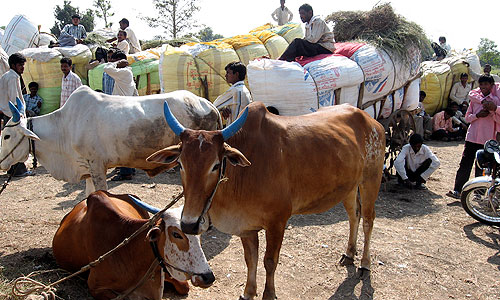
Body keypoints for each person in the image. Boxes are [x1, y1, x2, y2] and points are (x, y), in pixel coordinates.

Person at [447, 75, 500, 199]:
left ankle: (478, 193)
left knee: (482, 166)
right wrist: (478, 115)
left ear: (491, 86)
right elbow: (467, 117)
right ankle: (457, 190)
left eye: (486, 85)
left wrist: (492, 111)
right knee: (465, 164)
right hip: (472, 137)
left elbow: (498, 119)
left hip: (487, 139)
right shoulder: (476, 99)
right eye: (481, 85)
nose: (483, 88)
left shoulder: (495, 101)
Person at [103, 51, 138, 181]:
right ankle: (129, 168)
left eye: (116, 61)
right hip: (127, 110)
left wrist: (116, 63)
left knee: (121, 143)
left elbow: (106, 68)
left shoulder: (124, 72)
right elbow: (135, 94)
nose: (114, 64)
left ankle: (126, 172)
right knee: (127, 143)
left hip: (122, 111)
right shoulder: (128, 73)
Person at [0, 53, 31, 177]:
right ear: (13, 65)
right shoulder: (13, 77)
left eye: (23, 65)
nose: (22, 67)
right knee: (16, 141)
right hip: (12, 114)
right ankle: (18, 170)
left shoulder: (7, 76)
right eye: (20, 65)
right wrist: (20, 114)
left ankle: (12, 168)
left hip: (6, 112)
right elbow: (14, 98)